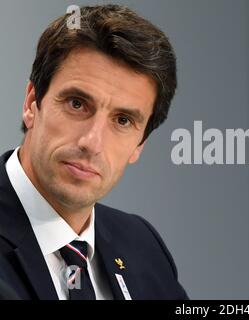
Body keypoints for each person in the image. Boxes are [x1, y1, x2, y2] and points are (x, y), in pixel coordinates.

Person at [0, 4, 188, 300]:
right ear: (32, 103)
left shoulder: (143, 246)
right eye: (77, 104)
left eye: (123, 121)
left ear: (140, 145)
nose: (92, 142)